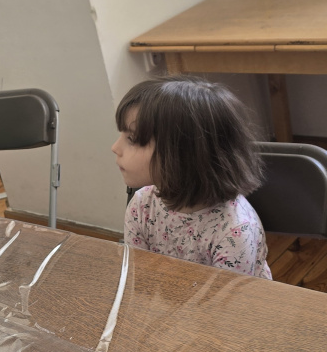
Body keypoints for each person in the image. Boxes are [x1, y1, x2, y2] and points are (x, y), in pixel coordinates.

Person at [112, 76, 271, 278]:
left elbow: (225, 298)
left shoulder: (235, 232)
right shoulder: (141, 205)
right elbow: (140, 275)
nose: (115, 147)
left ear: (185, 154)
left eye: (132, 139)